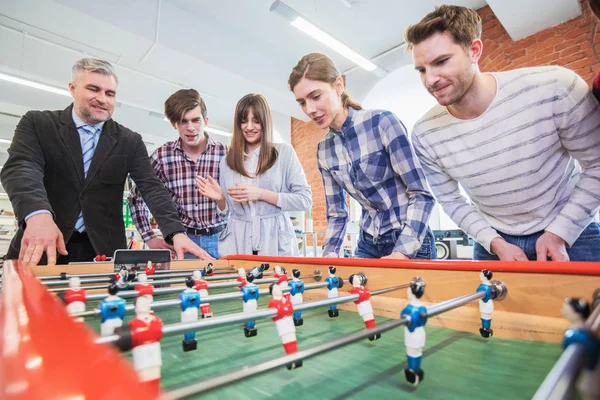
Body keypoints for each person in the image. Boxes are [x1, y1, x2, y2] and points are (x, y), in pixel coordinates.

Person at [405, 5, 600, 262]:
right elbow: (451, 200)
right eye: (421, 69)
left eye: (441, 62)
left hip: (573, 233)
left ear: (474, 51)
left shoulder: (556, 87)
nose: (430, 80)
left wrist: (560, 232)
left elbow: (597, 164)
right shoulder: (424, 133)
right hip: (494, 244)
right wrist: (495, 244)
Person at [0, 57, 210, 265]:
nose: (103, 99)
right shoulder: (38, 124)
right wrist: (37, 214)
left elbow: (152, 188)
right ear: (73, 89)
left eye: (110, 93)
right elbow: (22, 168)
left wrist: (176, 232)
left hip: (103, 252)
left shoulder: (129, 140)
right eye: (93, 89)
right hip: (42, 244)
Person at [288, 53, 437, 260]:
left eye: (316, 96)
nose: (310, 109)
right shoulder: (324, 150)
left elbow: (421, 194)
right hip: (368, 243)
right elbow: (337, 213)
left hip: (410, 240)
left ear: (338, 86)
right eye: (302, 103)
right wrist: (329, 254)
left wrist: (401, 252)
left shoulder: (382, 123)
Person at [196, 93, 312, 257]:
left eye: (256, 120)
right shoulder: (227, 162)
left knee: (278, 282)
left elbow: (305, 200)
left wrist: (261, 194)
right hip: (238, 241)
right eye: (244, 120)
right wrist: (221, 199)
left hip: (275, 239)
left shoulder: (284, 153)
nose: (249, 127)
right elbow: (226, 213)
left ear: (265, 122)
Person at [128, 89, 228, 259]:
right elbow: (137, 197)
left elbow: (239, 206)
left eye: (196, 120)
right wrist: (149, 237)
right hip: (183, 240)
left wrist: (222, 199)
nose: (190, 128)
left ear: (206, 121)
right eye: (183, 121)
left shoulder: (225, 154)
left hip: (222, 239)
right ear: (174, 124)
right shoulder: (162, 156)